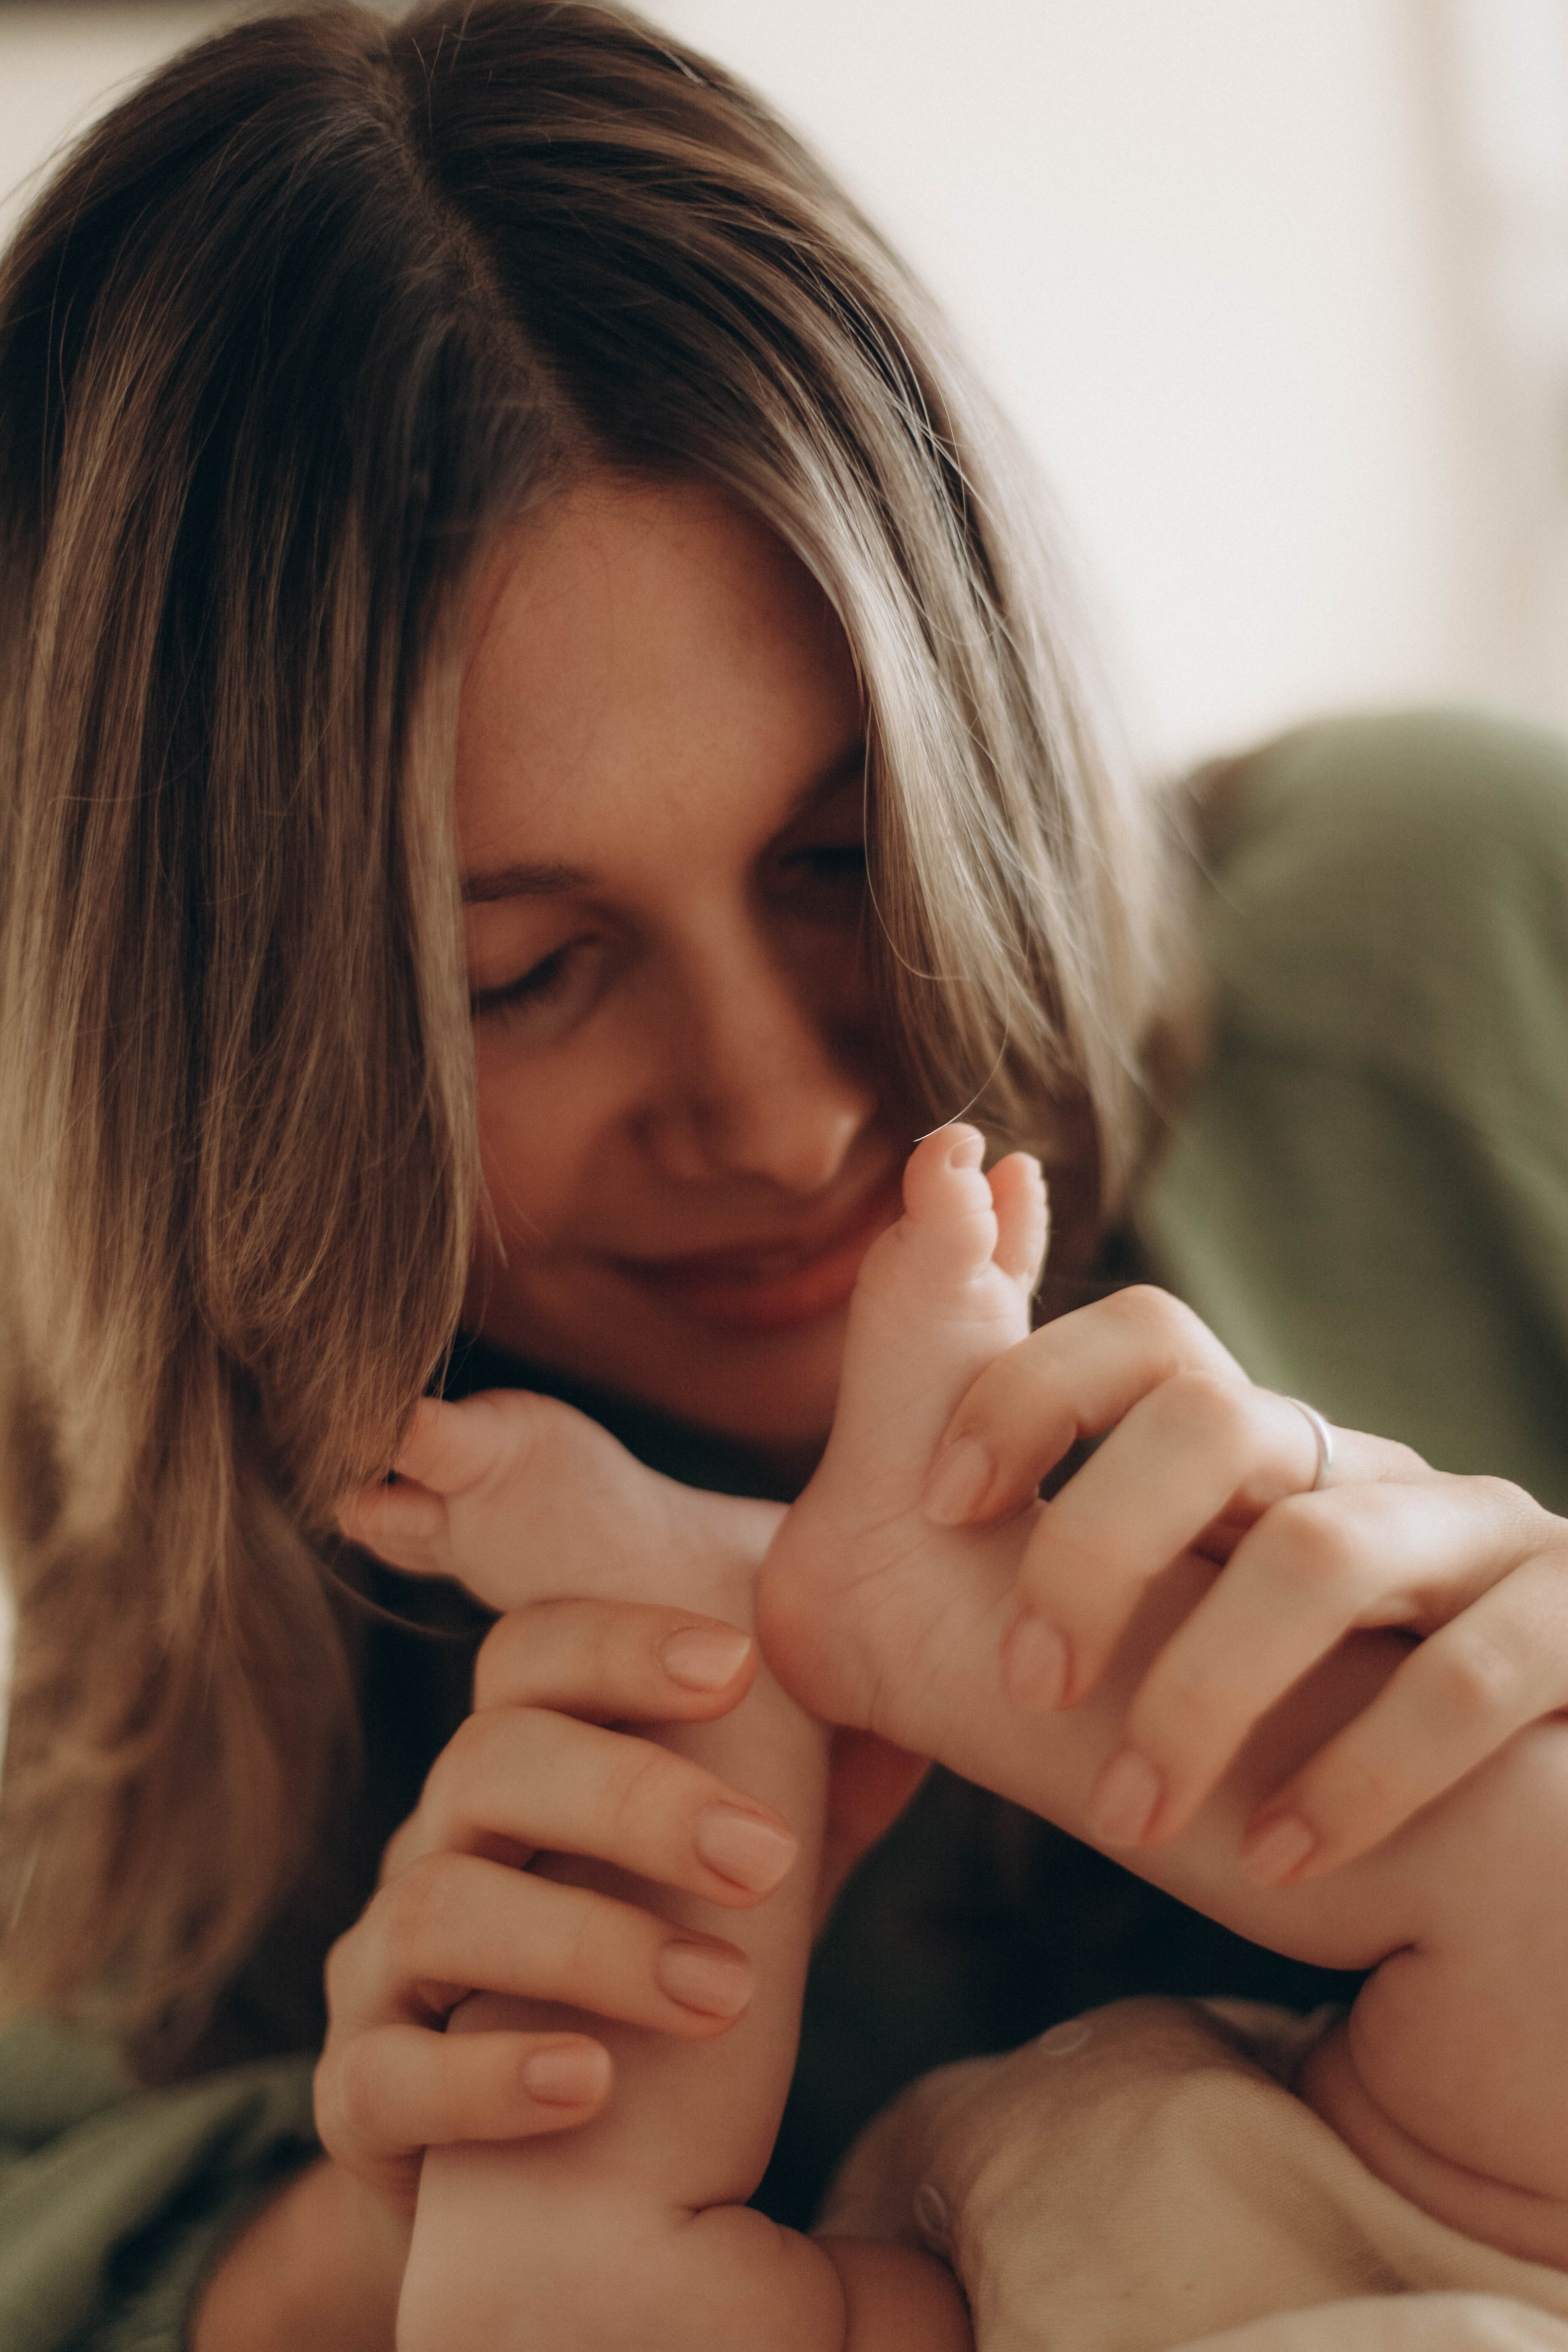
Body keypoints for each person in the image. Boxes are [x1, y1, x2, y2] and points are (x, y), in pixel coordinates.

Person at [3, 6, 1568, 2349]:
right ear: (208, 1060)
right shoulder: (167, 1726)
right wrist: (414, 2197)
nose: (781, 1116)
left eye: (847, 859)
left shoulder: (1454, 933)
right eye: (524, 977)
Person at [368, 1125, 1568, 2352]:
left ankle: (740, 1633)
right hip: (1436, 2249)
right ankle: (913, 1602)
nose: (782, 1134)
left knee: (558, 2309)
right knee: (1539, 1885)